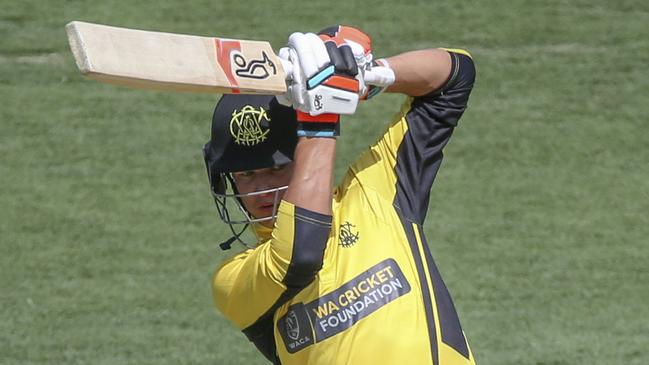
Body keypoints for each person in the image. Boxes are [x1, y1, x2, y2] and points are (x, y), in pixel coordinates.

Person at [203, 25, 477, 365]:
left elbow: (454, 77)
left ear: (304, 156)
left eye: (276, 169)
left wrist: (368, 77)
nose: (261, 189)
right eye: (246, 175)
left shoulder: (374, 191)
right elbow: (301, 252)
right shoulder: (234, 281)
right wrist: (322, 114)